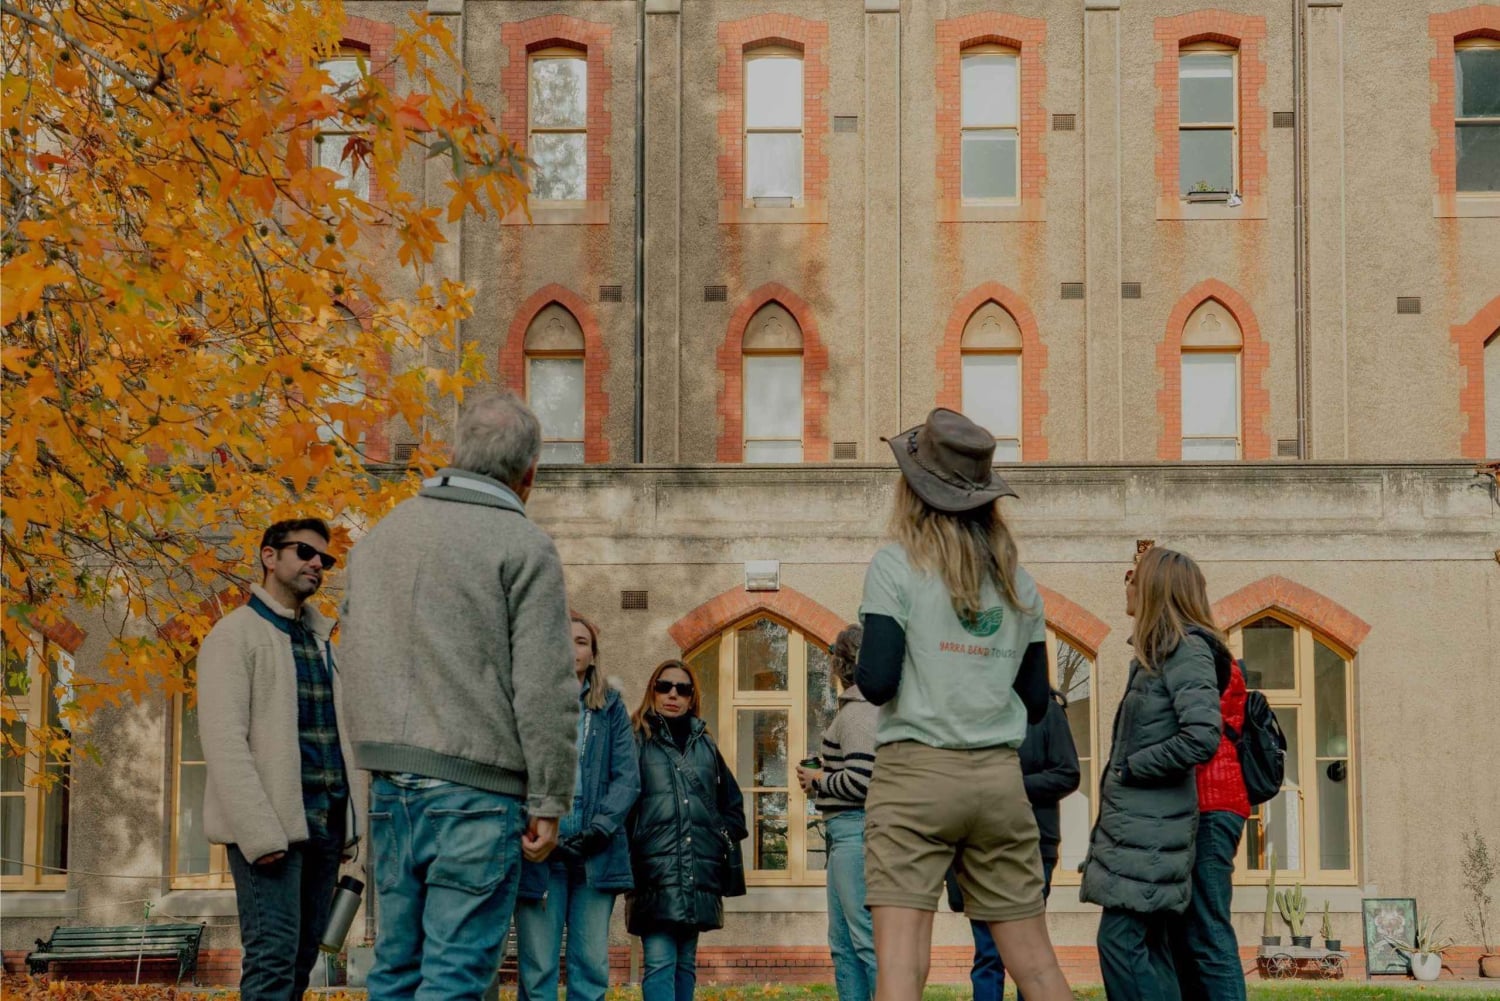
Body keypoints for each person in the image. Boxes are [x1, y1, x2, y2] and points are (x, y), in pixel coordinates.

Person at [338, 391, 580, 1001]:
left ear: (457, 453)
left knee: (394, 971)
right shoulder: (523, 545)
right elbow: (547, 684)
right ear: (530, 475)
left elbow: (352, 651)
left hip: (391, 784)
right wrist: (550, 798)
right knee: (455, 979)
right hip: (478, 789)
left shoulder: (381, 538)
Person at [854, 408, 1073, 1001]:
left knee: (901, 968)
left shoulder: (896, 564)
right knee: (1038, 968)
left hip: (915, 775)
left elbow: (874, 681)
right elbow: (1034, 701)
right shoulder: (1017, 581)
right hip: (999, 783)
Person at [198, 517, 358, 1001]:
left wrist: (351, 828)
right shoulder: (233, 636)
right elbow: (225, 742)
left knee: (302, 961)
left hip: (324, 828)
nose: (317, 565)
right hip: (270, 831)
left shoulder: (319, 643)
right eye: (305, 553)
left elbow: (340, 739)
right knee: (272, 961)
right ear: (269, 557)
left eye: (325, 560)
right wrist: (258, 834)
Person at [1080, 546, 1227, 1001]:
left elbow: (1203, 735)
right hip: (1141, 829)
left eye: (1133, 575)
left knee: (1121, 942)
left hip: (1153, 831)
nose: (1125, 583)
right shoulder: (1159, 654)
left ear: (1156, 587)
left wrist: (1132, 767)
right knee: (1147, 947)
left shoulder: (1187, 650)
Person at [515, 613, 641, 1001]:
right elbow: (512, 770)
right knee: (538, 970)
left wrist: (598, 831)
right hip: (539, 853)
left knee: (590, 967)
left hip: (594, 854)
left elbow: (627, 778)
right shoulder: (526, 700)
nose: (573, 648)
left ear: (593, 654)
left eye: (582, 641)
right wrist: (527, 824)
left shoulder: (611, 708)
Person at [626, 659, 748, 1001]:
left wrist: (715, 836)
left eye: (682, 688)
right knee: (661, 962)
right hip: (654, 869)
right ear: (653, 690)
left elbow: (733, 806)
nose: (673, 695)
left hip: (697, 870)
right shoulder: (636, 739)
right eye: (664, 686)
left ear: (692, 696)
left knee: (685, 964)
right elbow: (621, 803)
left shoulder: (704, 744)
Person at [947, 687, 1080, 1001]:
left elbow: (1067, 773)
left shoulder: (1047, 711)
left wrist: (1011, 783)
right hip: (979, 844)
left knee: (1029, 955)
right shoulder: (971, 710)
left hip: (1034, 844)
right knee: (987, 954)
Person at [797, 625, 879, 1001]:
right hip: (845, 836)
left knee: (863, 941)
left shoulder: (860, 712)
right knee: (844, 943)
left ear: (841, 663)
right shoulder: (861, 708)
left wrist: (818, 780)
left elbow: (862, 782)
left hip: (855, 834)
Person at [1170, 648, 1250, 1001]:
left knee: (1208, 930)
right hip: (1208, 803)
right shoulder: (1207, 654)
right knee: (1192, 931)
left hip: (1212, 802)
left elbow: (1199, 735)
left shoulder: (1200, 654)